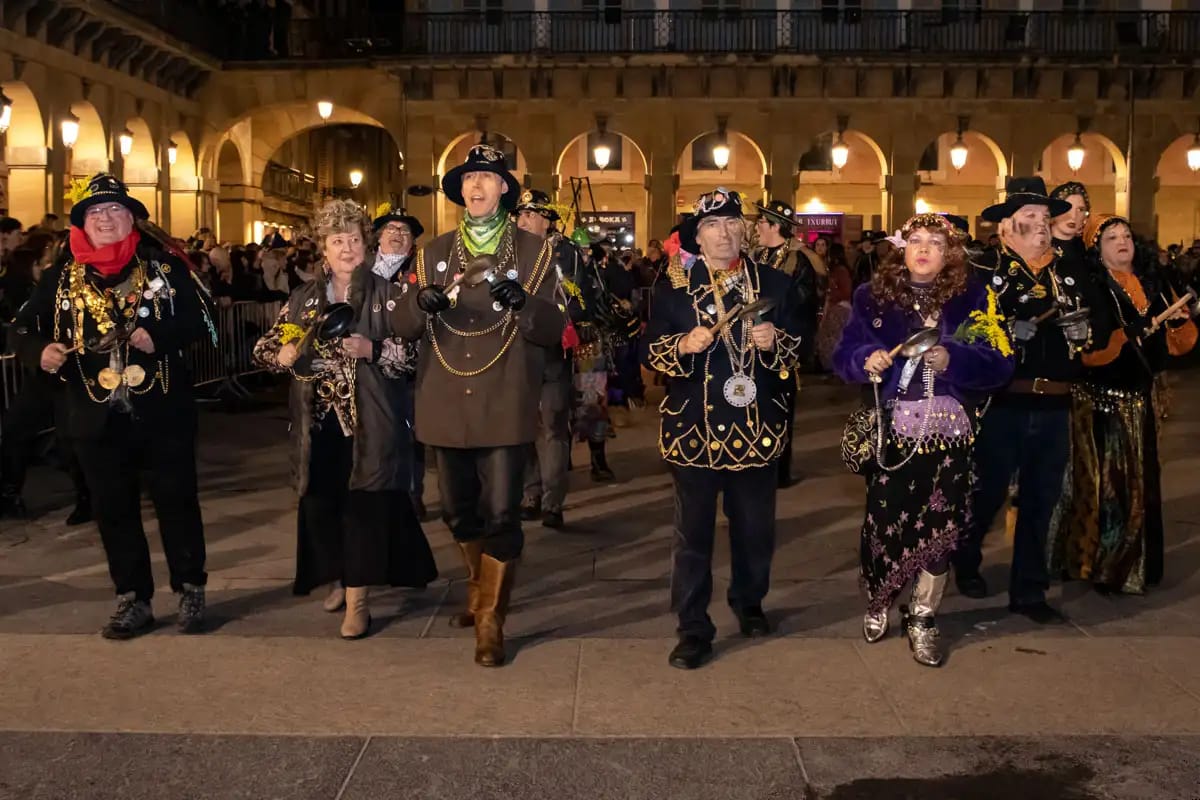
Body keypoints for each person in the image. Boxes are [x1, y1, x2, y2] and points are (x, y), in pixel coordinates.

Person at [12, 173, 217, 639]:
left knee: (177, 502)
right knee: (113, 508)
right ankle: (133, 597)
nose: (106, 219)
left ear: (132, 219)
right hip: (92, 413)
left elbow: (203, 323)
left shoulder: (164, 267)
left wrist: (159, 336)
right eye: (95, 212)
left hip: (162, 410)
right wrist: (38, 351)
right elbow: (21, 329)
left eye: (115, 210)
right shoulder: (61, 276)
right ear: (82, 223)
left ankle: (190, 587)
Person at [390, 144, 564, 667]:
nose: (477, 185)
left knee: (501, 512)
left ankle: (491, 617)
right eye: (468, 178)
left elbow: (556, 328)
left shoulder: (534, 254)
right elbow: (399, 325)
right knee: (458, 510)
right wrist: (415, 304)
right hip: (445, 401)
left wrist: (524, 304)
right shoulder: (431, 253)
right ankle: (476, 588)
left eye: (487, 177)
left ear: (504, 188)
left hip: (504, 399)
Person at [834, 213, 1014, 667]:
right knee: (885, 521)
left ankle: (922, 615)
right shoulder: (871, 297)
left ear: (949, 253)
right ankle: (879, 598)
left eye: (935, 242)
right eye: (916, 240)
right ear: (902, 247)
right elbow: (842, 354)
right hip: (892, 429)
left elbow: (1000, 363)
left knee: (941, 528)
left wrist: (953, 359)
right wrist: (865, 359)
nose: (924, 249)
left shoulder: (974, 297)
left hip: (949, 433)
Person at [253, 199, 437, 639]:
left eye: (354, 240)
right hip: (317, 423)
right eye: (338, 241)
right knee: (321, 505)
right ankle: (336, 576)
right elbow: (265, 348)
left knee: (363, 508)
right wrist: (282, 355)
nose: (347, 249)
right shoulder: (304, 299)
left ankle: (359, 601)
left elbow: (417, 354)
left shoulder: (388, 295)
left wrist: (374, 350)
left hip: (369, 421)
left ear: (366, 245)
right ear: (324, 250)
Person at [642, 188, 802, 670]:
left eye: (733, 223)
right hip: (693, 429)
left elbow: (800, 352)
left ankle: (749, 602)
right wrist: (680, 346)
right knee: (692, 536)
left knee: (755, 530)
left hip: (756, 428)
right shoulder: (673, 288)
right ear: (698, 236)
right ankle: (693, 626)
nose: (725, 233)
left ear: (745, 231)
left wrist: (777, 342)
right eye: (713, 226)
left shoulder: (775, 285)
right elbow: (650, 353)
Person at [952, 177, 1099, 622]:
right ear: (1005, 228)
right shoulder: (983, 274)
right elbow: (960, 334)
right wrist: (1003, 333)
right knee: (986, 492)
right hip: (1003, 404)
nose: (1040, 226)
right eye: (1029, 218)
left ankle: (1029, 590)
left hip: (1055, 402)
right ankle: (965, 558)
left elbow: (1096, 333)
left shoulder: (1071, 272)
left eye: (1044, 218)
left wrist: (1084, 335)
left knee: (1041, 499)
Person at [1053, 214, 1196, 594]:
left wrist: (1178, 323)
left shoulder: (1154, 284)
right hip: (1100, 404)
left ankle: (1134, 566)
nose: (1121, 242)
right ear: (1096, 250)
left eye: (1126, 235)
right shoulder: (1093, 289)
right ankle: (1102, 567)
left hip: (1140, 401)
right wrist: (1124, 336)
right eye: (1111, 237)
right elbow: (1087, 352)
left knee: (1141, 486)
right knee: (1107, 489)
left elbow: (1177, 347)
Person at [514, 190, 614, 529]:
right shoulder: (508, 252)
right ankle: (530, 494)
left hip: (552, 349)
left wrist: (553, 324)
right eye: (520, 214)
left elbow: (575, 299)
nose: (522, 220)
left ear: (547, 220)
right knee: (524, 427)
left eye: (530, 214)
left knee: (554, 426)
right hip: (516, 351)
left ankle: (552, 501)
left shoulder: (564, 252)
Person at [752, 198, 817, 488]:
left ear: (775, 226)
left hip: (782, 347)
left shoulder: (798, 262)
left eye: (761, 222)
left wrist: (776, 327)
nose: (757, 226)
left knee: (780, 408)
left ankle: (779, 470)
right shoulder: (756, 256)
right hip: (752, 346)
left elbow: (801, 307)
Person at [370, 203, 429, 520]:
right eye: (391, 229)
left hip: (409, 370)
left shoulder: (421, 273)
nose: (397, 234)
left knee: (410, 435)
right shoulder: (362, 272)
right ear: (378, 236)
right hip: (368, 368)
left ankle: (412, 492)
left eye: (404, 230)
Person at [816, 242, 854, 371]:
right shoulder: (832, 270)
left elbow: (845, 291)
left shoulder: (840, 270)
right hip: (834, 307)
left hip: (839, 309)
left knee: (835, 339)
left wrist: (831, 293)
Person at [1050, 181, 1090, 269]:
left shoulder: (1088, 253)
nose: (1074, 216)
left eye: (1080, 209)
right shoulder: (1038, 247)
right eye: (1068, 208)